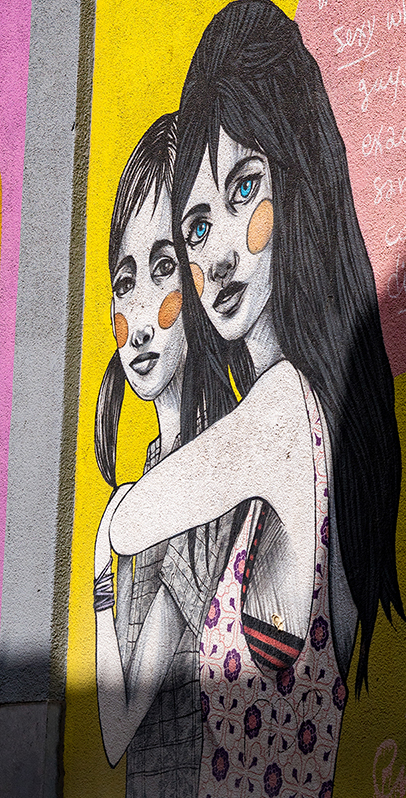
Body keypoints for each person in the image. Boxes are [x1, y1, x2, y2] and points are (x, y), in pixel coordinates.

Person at [109, 0, 404, 797]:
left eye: (244, 190)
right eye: (197, 229)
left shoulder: (280, 415)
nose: (218, 257)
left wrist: (113, 546)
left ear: (295, 179)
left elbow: (130, 520)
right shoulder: (316, 419)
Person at [94, 114, 222, 797]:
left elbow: (116, 727)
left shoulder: (205, 476)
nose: (140, 319)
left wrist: (100, 573)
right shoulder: (153, 477)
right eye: (125, 281)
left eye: (164, 267)